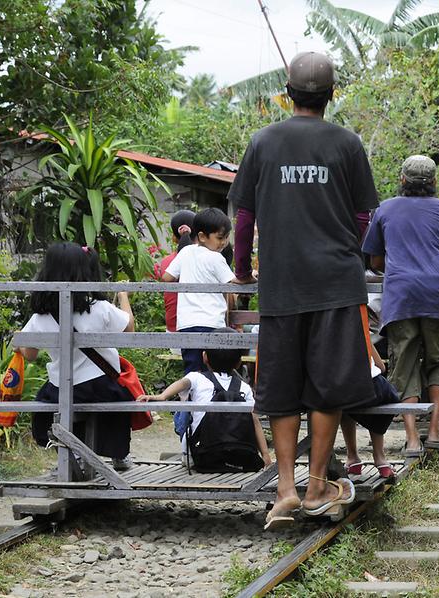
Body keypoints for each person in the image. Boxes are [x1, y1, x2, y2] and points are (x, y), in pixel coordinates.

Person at [228, 52, 379, 529]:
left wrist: (243, 271)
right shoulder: (348, 144)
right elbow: (362, 217)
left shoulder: (263, 142)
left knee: (282, 386)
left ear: (288, 93)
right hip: (335, 284)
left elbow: (244, 217)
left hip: (282, 284)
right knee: (327, 385)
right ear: (331, 94)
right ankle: (317, 484)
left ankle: (286, 490)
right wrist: (344, 252)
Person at [362, 155, 439, 456]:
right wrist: (438, 272)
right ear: (434, 182)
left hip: (401, 297)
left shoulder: (385, 209)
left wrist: (401, 271)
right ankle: (434, 431)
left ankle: (411, 438)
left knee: (404, 363)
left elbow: (375, 260)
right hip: (436, 294)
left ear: (402, 180)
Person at [18, 242, 136, 470]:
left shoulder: (40, 317)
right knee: (119, 403)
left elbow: (30, 355)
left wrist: (19, 346)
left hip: (61, 389)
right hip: (102, 386)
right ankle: (119, 455)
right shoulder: (99, 307)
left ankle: (74, 453)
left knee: (57, 403)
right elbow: (129, 329)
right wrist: (123, 296)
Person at [136, 327, 272, 468]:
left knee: (184, 405)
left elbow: (181, 384)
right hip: (240, 456)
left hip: (204, 456)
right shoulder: (244, 388)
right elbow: (255, 422)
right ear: (239, 363)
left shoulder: (196, 377)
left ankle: (186, 454)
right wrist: (266, 455)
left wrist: (162, 396)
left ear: (205, 357)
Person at [162, 208, 239, 375]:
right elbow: (233, 283)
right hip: (212, 324)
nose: (224, 242)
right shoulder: (216, 258)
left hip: (187, 324)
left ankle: (193, 399)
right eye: (220, 238)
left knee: (193, 371)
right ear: (202, 236)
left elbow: (167, 277)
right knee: (215, 371)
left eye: (226, 238)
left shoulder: (185, 252)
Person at [340, 342, 398, 481]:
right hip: (371, 388)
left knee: (342, 405)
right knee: (383, 396)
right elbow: (381, 367)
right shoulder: (358, 324)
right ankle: (380, 457)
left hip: (341, 389)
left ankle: (352, 456)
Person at [153, 210, 195, 333]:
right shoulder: (204, 259)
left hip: (172, 331)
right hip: (199, 330)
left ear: (173, 238)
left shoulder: (166, 262)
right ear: (200, 236)